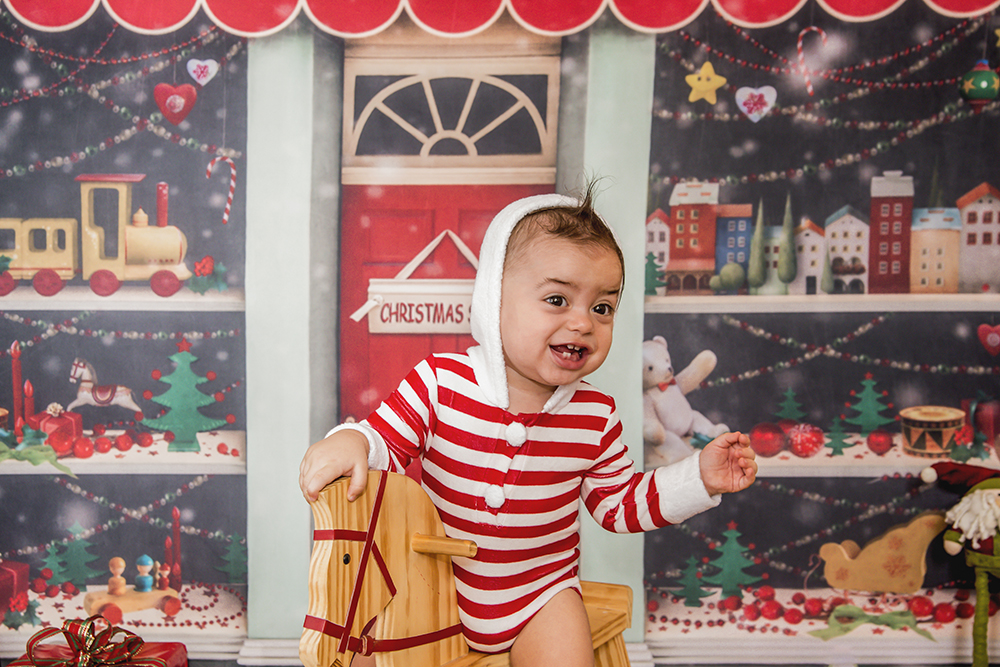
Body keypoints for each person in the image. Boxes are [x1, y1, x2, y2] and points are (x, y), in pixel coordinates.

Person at [299, 188, 757, 667]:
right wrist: (352, 439)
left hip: (540, 595)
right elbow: (384, 443)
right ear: (493, 300)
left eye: (602, 307)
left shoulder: (595, 416)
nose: (582, 322)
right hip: (438, 585)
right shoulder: (441, 382)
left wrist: (696, 478)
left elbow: (619, 506)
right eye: (557, 299)